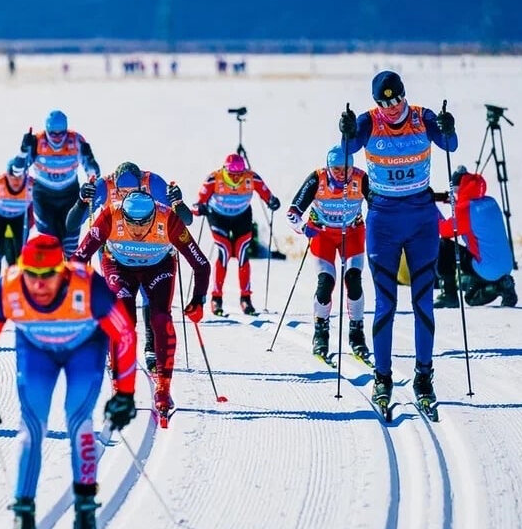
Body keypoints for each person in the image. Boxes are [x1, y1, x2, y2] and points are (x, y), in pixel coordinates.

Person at [0, 234, 137, 529]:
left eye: (47, 275)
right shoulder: (9, 287)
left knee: (79, 423)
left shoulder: (87, 285)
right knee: (30, 428)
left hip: (84, 350)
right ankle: (23, 522)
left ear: (62, 270)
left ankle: (85, 521)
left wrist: (126, 393)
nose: (38, 283)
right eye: (31, 273)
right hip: (36, 352)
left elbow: (125, 334)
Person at [339, 70, 458, 410]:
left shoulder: (423, 117)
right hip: (383, 221)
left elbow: (450, 145)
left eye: (395, 100)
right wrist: (345, 130)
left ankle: (424, 375)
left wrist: (449, 127)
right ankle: (383, 376)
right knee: (386, 304)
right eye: (383, 102)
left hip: (421, 219)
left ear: (404, 94)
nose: (391, 107)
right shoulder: (368, 121)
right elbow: (347, 149)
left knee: (423, 301)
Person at [72, 190, 210, 422]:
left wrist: (198, 299)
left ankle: (163, 388)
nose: (137, 230)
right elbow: (78, 258)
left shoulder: (168, 219)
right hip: (118, 266)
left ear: (153, 215)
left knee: (160, 319)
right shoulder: (111, 215)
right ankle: (120, 389)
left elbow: (201, 264)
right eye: (131, 222)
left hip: (158, 267)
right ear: (123, 215)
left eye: (144, 223)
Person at [69, 161, 194, 371]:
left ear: (141, 185)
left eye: (132, 191)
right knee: (118, 297)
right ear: (114, 184)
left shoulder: (153, 183)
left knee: (150, 297)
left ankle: (151, 348)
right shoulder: (104, 185)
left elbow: (186, 220)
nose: (127, 196)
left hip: (152, 248)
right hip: (116, 249)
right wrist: (82, 200)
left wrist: (178, 202)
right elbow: (72, 224)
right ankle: (115, 347)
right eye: (122, 192)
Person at [286, 145, 371, 361]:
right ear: (328, 167)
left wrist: (375, 225)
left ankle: (357, 334)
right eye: (337, 169)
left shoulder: (361, 178)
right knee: (325, 282)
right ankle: (320, 333)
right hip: (322, 234)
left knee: (353, 280)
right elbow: (292, 212)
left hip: (351, 233)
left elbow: (379, 206)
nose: (342, 174)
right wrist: (304, 228)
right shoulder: (317, 179)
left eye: (346, 169)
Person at [193, 153, 280, 316]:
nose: (235, 178)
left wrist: (272, 201)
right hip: (218, 217)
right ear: (225, 171)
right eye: (232, 175)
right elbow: (197, 204)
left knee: (242, 252)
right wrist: (200, 209)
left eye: (238, 174)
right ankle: (216, 298)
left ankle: (245, 299)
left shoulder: (251, 177)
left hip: (242, 216)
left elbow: (267, 194)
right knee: (225, 251)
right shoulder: (214, 178)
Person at [18, 110, 99, 255]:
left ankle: (69, 274)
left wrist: (91, 169)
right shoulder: (37, 141)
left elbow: (93, 170)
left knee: (70, 246)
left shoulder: (76, 140)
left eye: (61, 133)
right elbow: (16, 171)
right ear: (47, 130)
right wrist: (24, 150)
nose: (57, 138)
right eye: (53, 134)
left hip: (69, 196)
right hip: (44, 198)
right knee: (49, 244)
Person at [435, 167, 517, 307]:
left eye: (455, 190)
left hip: (486, 268)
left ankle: (448, 295)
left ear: (461, 188)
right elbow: (470, 213)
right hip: (506, 266)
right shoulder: (491, 202)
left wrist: (429, 212)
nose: (455, 194)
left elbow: (445, 231)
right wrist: (451, 200)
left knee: (443, 245)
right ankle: (503, 285)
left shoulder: (466, 210)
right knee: (469, 290)